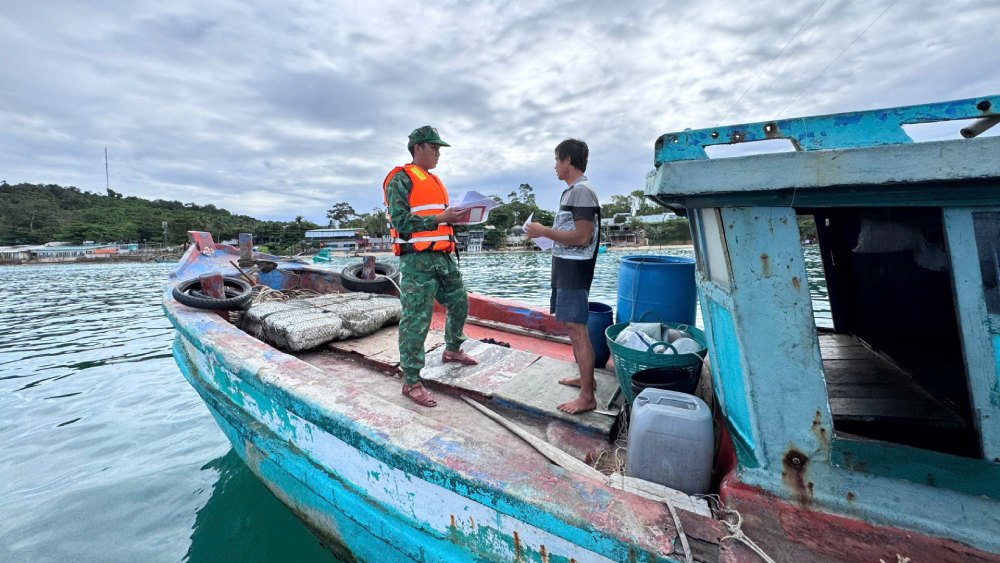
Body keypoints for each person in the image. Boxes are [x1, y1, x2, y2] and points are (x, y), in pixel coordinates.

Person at [382, 125, 479, 408]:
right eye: (434, 148)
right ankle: (411, 380)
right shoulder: (400, 179)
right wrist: (439, 218)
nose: (438, 153)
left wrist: (454, 218)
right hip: (417, 261)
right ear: (418, 148)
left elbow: (437, 218)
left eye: (439, 148)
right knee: (417, 318)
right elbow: (400, 222)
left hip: (443, 257)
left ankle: (452, 349)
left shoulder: (434, 180)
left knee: (460, 301)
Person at [525, 139, 601, 414]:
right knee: (572, 328)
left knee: (577, 330)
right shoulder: (571, 193)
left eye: (557, 160)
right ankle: (586, 379)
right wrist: (546, 235)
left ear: (568, 160)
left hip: (574, 271)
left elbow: (582, 236)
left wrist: (544, 231)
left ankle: (587, 396)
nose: (555, 167)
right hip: (565, 266)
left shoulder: (582, 192)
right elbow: (571, 234)